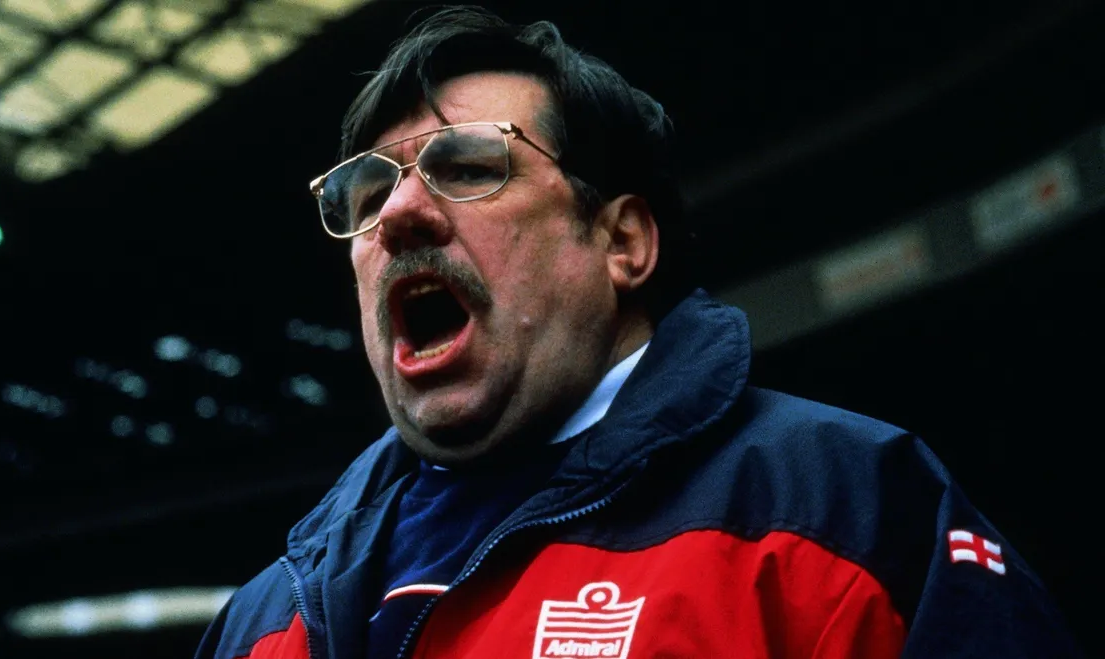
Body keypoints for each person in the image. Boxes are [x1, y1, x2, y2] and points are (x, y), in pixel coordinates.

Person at [197, 7, 1080, 658]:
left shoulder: (850, 510)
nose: (397, 214)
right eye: (365, 192)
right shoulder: (260, 622)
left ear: (621, 242)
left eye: (466, 165)